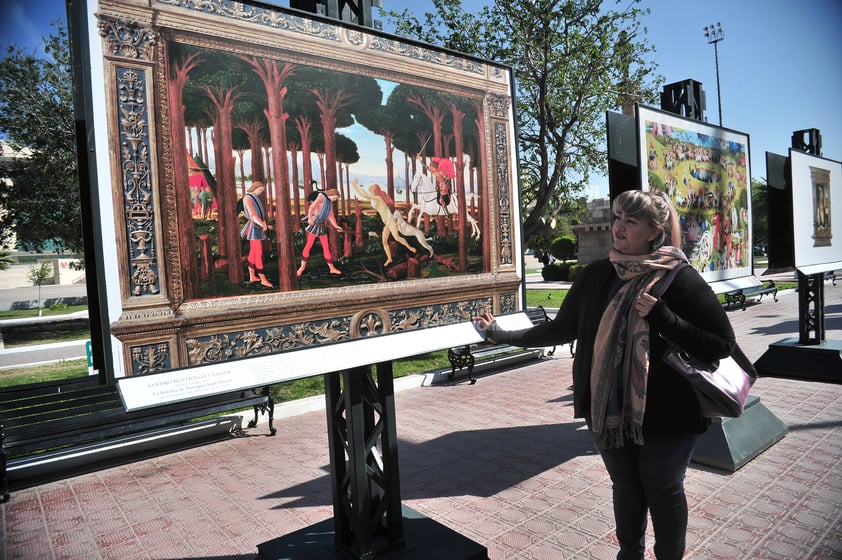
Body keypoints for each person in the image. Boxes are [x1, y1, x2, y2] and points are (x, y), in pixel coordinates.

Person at [474, 190, 747, 560]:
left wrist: (663, 317)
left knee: (662, 487)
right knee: (627, 488)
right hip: (607, 408)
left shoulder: (678, 278)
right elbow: (560, 330)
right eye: (618, 217)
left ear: (654, 232)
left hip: (668, 412)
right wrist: (499, 334)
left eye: (630, 221)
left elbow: (721, 344)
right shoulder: (597, 275)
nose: (619, 226)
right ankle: (629, 555)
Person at [297, 188, 343, 276]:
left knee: (326, 247)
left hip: (321, 226)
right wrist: (310, 218)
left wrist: (336, 226)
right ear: (331, 195)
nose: (335, 200)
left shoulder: (329, 202)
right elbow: (312, 207)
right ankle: (301, 268)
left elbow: (331, 216)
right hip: (314, 224)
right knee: (309, 245)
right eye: (335, 198)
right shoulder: (321, 197)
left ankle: (332, 268)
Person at [240, 181, 273, 288]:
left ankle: (252, 276)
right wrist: (263, 225)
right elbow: (253, 216)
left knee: (253, 252)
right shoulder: (247, 198)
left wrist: (265, 225)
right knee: (258, 253)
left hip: (258, 226)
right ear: (255, 188)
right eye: (260, 190)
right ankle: (263, 279)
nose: (260, 192)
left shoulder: (255, 197)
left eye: (262, 190)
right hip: (254, 227)